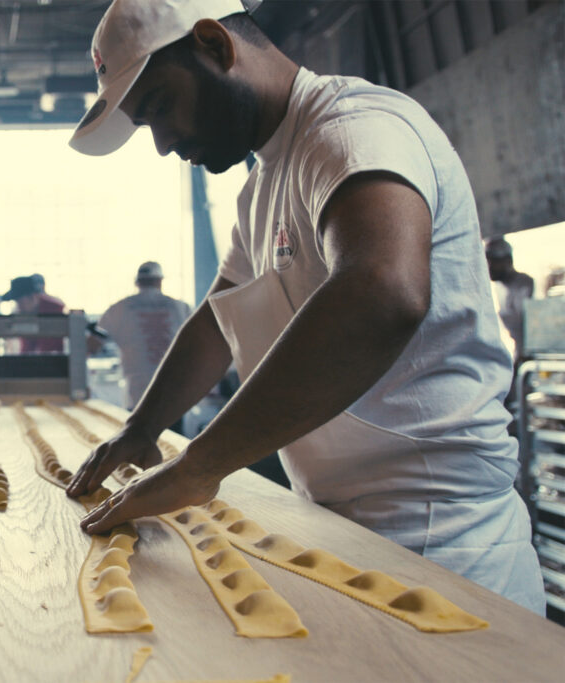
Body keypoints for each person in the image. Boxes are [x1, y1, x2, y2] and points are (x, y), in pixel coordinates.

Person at [65, 0, 543, 613]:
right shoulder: (264, 183)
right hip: (346, 532)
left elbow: (382, 293)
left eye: (159, 106)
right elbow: (217, 319)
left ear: (215, 45)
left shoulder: (353, 129)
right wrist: (140, 429)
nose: (161, 143)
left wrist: (200, 464)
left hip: (441, 543)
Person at [96, 262, 191, 415]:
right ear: (160, 281)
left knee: (137, 433)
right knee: (173, 435)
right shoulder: (180, 307)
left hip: (137, 389)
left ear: (137, 282)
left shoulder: (120, 308)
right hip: (173, 387)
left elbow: (93, 343)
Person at [485, 237, 534, 362]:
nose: (489, 267)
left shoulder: (526, 284)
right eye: (487, 261)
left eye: (494, 261)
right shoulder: (497, 288)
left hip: (531, 354)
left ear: (508, 260)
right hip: (514, 354)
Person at [1, 274, 66, 354]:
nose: (19, 307)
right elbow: (27, 347)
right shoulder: (25, 314)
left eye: (21, 302)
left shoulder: (54, 310)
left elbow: (49, 348)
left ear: (33, 297)